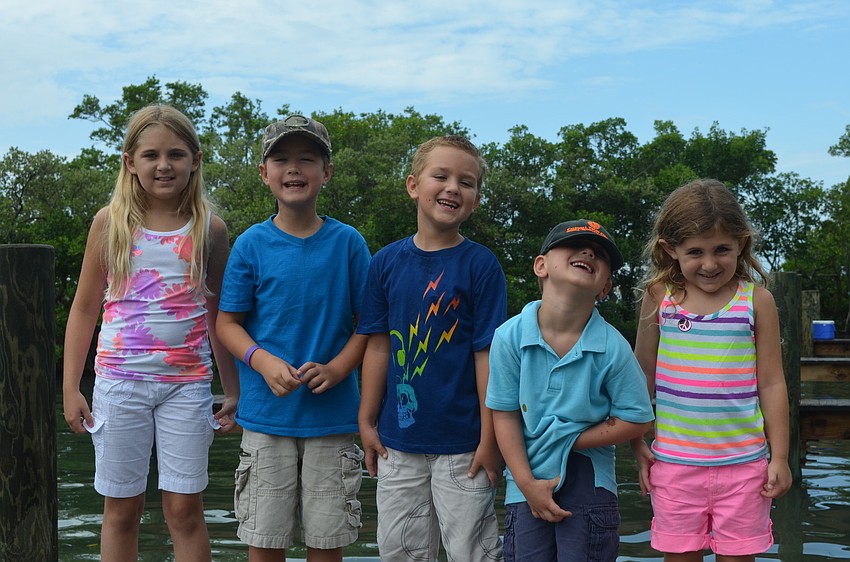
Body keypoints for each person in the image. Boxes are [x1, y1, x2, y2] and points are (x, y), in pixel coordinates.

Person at [62, 104, 239, 562]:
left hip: (188, 386)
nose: (164, 165)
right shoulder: (110, 223)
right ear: (130, 162)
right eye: (151, 155)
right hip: (119, 384)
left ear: (195, 159)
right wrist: (69, 387)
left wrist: (233, 389)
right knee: (121, 510)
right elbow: (83, 310)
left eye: (176, 154)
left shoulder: (210, 230)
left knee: (185, 510)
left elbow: (218, 317)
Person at [216, 114, 370, 562]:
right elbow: (227, 323)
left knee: (326, 543)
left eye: (307, 159)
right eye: (281, 159)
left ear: (327, 172)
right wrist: (261, 361)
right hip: (265, 420)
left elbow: (370, 324)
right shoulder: (250, 245)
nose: (294, 169)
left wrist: (340, 367)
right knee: (264, 543)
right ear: (264, 174)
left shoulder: (349, 244)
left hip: (333, 421)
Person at [357, 135, 507, 561]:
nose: (453, 188)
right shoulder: (385, 262)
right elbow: (378, 346)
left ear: (475, 200)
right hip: (397, 442)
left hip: (465, 445)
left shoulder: (481, 265)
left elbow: (487, 356)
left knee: (473, 551)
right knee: (399, 550)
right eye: (440, 176)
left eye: (467, 182)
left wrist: (490, 436)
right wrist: (366, 420)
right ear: (412, 186)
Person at [631, 179, 792, 561]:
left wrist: (781, 458)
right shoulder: (659, 298)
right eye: (695, 252)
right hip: (673, 466)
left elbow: (771, 383)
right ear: (670, 249)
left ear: (742, 244)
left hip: (744, 468)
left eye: (722, 249)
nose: (709, 263)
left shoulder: (757, 301)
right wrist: (636, 442)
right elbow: (640, 378)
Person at [486, 219, 656, 561]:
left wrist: (570, 439)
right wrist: (525, 484)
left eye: (601, 253)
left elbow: (637, 419)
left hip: (590, 483)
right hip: (526, 481)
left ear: (605, 287)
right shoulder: (509, 336)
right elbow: (503, 414)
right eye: (573, 244)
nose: (589, 251)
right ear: (541, 265)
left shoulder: (612, 346)